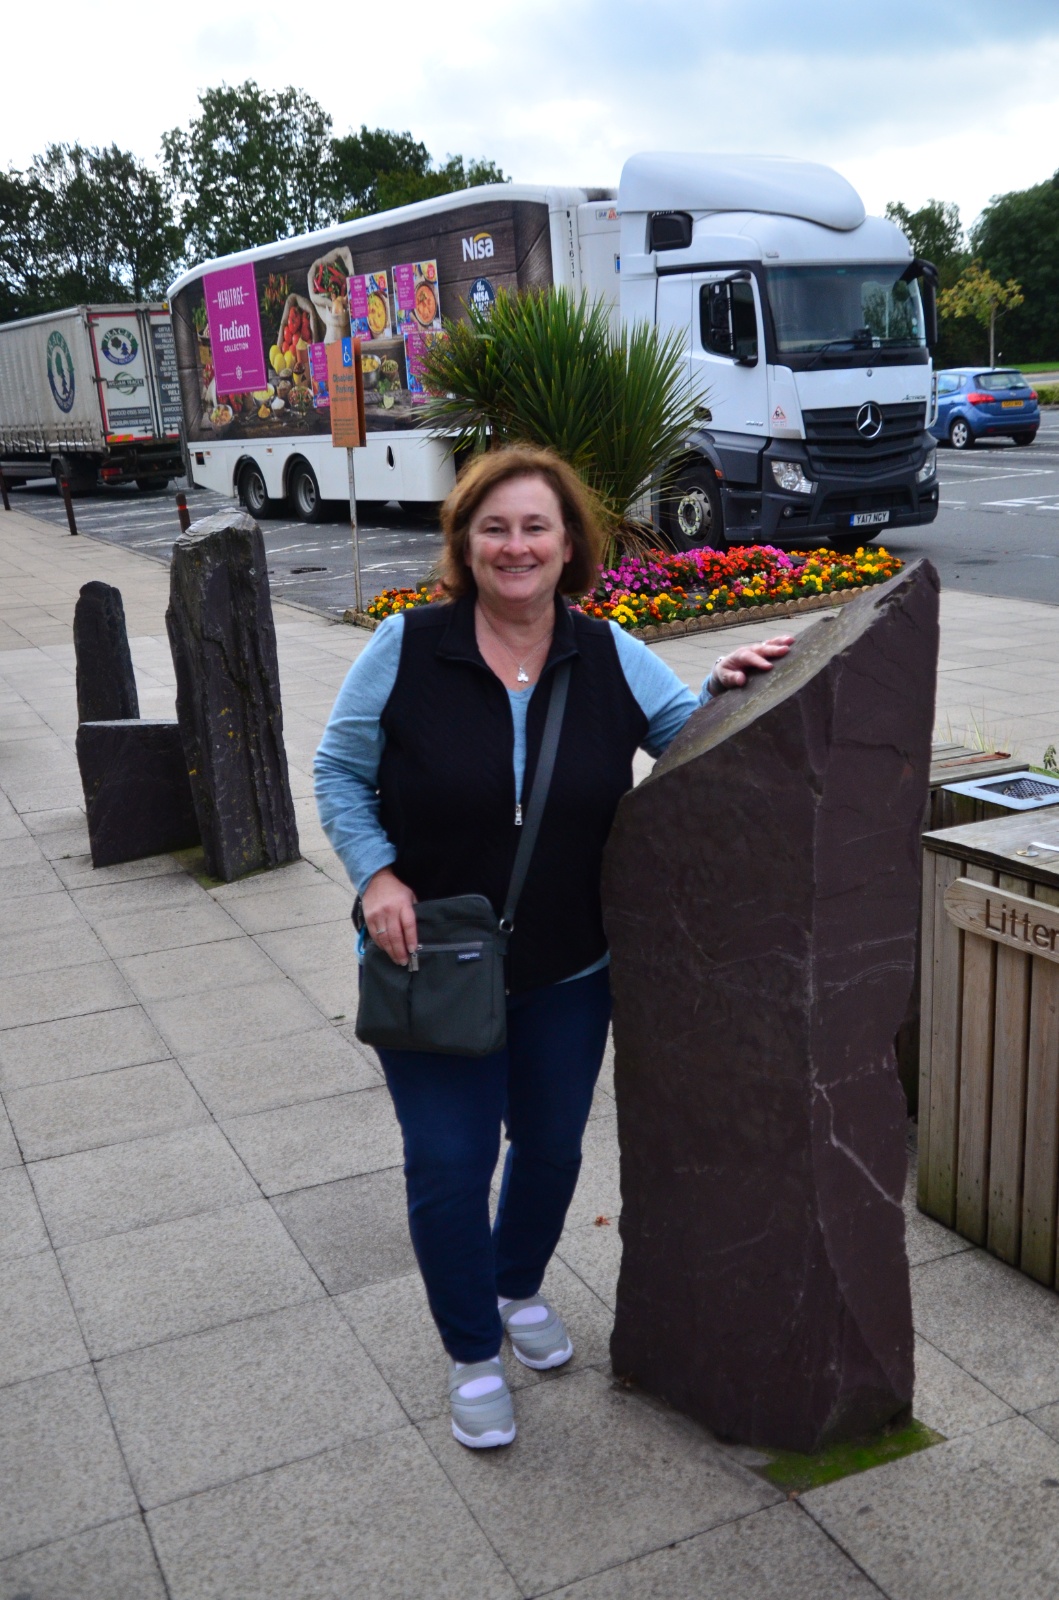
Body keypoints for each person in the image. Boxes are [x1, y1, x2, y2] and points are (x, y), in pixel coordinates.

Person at [314, 446, 791, 1449]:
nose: (516, 546)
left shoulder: (606, 652)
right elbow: (338, 771)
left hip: (569, 967)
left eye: (536, 526)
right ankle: (471, 1352)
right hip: (432, 962)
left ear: (569, 544)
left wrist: (726, 686)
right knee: (449, 1164)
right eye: (493, 528)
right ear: (464, 544)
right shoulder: (407, 646)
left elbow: (689, 741)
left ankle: (515, 1285)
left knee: (550, 1148)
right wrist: (376, 875)